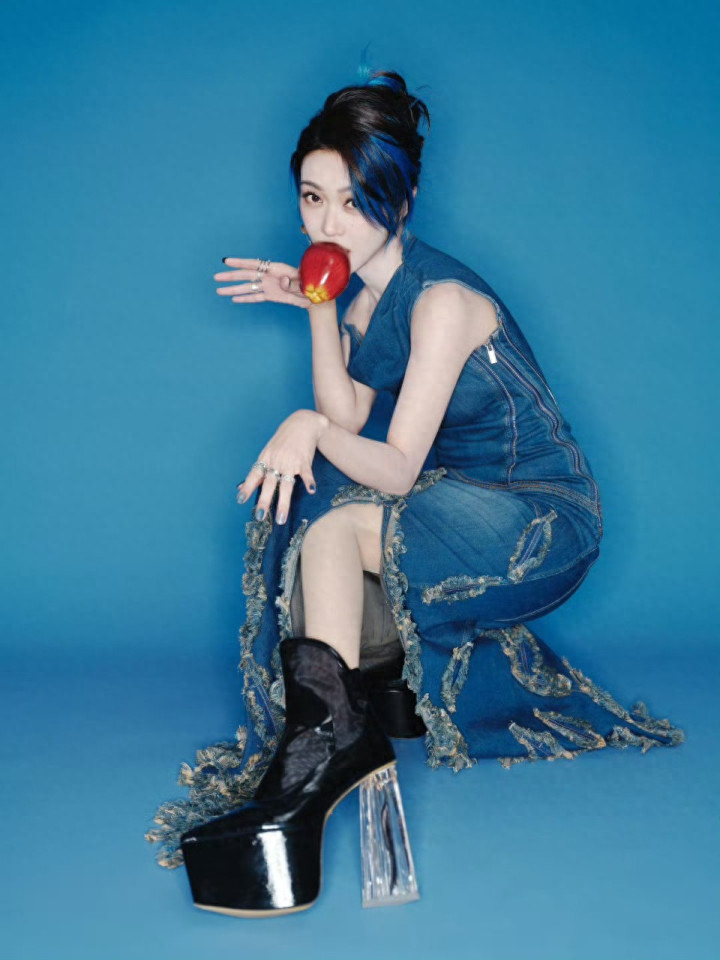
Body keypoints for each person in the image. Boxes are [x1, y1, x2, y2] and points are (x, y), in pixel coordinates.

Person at [146, 67, 684, 915]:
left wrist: (307, 426)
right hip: (458, 499)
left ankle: (330, 741)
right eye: (312, 199)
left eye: (353, 201)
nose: (329, 224)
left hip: (543, 518)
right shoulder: (364, 302)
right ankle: (334, 732)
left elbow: (391, 466)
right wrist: (318, 309)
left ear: (402, 198)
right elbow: (347, 414)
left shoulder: (441, 302)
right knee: (319, 510)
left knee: (334, 499)